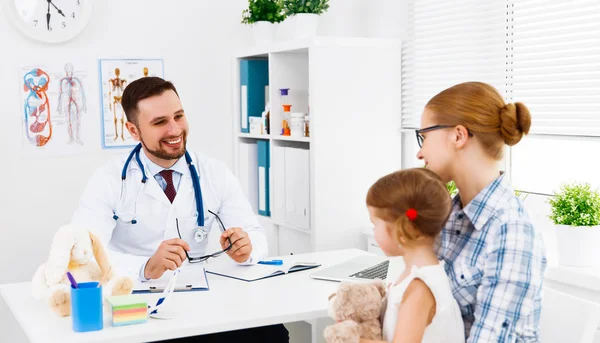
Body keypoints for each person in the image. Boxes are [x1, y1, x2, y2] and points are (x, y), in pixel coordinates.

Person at [71, 76, 288, 342]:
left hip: (198, 301)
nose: (175, 130)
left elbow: (255, 235)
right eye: (160, 122)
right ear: (133, 130)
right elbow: (84, 256)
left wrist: (246, 248)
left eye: (179, 116)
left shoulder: (214, 172)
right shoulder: (108, 180)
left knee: (272, 333)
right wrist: (146, 267)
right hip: (136, 304)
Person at [415, 82, 547, 342]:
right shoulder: (450, 213)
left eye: (424, 137)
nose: (420, 152)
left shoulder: (512, 234)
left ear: (458, 136)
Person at [362, 168, 465, 343]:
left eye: (375, 224)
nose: (373, 230)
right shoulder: (418, 276)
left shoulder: (420, 289)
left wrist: (354, 338)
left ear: (404, 230)